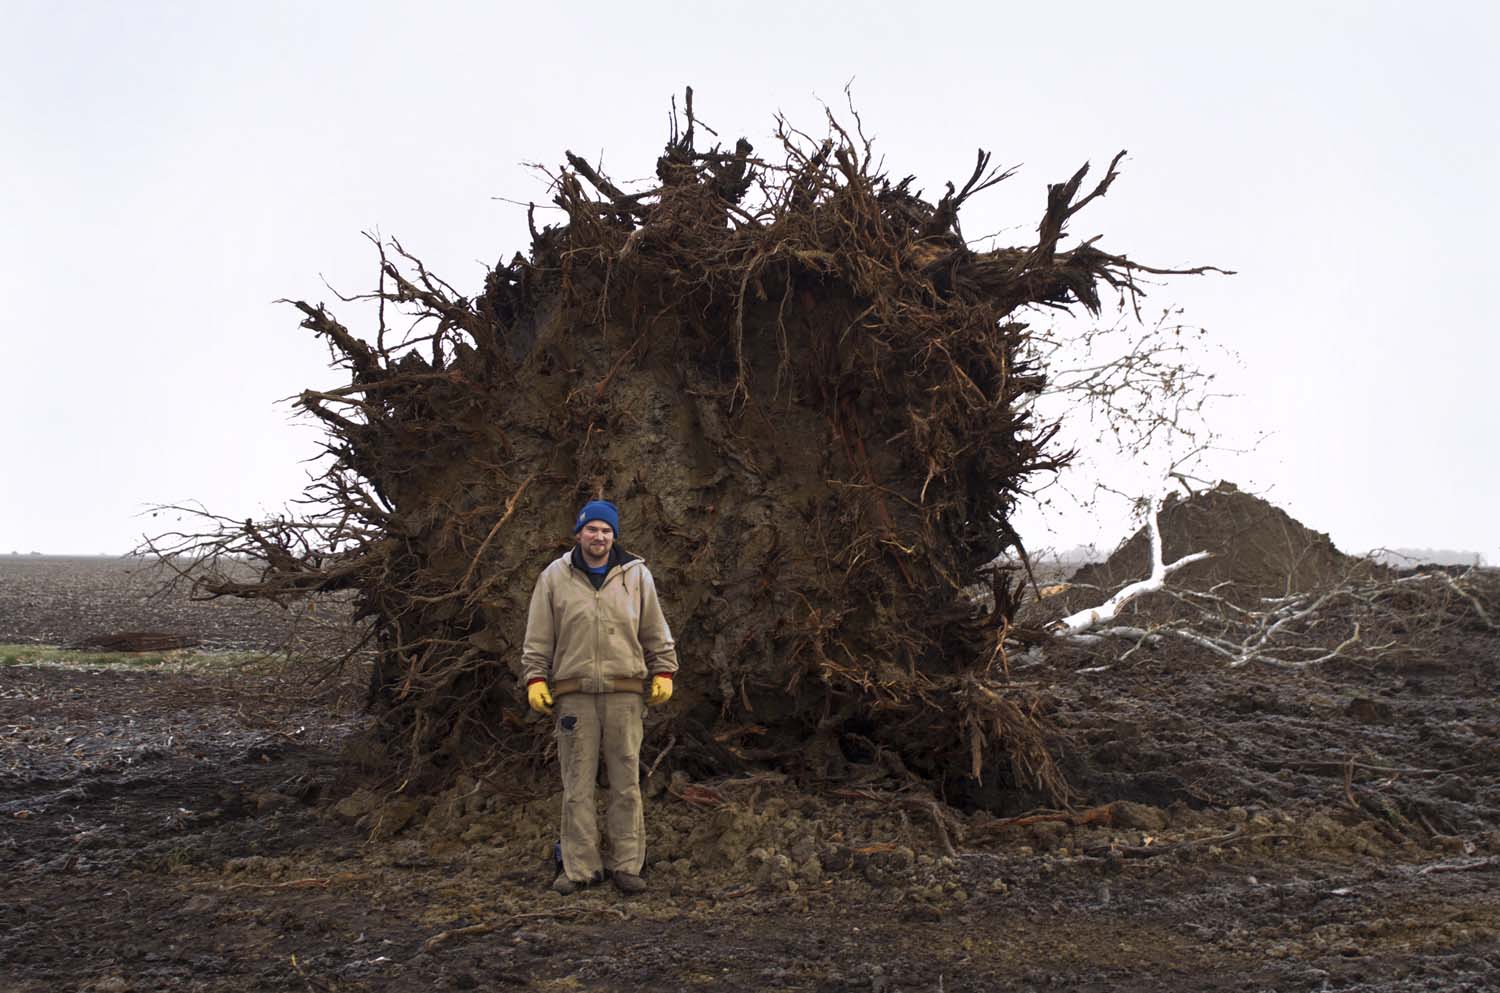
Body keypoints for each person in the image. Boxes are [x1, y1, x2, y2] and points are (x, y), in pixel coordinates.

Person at [521, 499, 678, 895]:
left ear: (614, 536)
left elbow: (654, 628)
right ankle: (580, 868)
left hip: (625, 694)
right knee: (577, 785)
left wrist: (664, 670)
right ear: (579, 533)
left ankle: (627, 865)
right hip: (574, 697)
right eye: (592, 529)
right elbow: (538, 637)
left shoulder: (636, 576)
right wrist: (535, 678)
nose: (599, 536)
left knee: (626, 782)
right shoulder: (554, 577)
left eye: (606, 531)